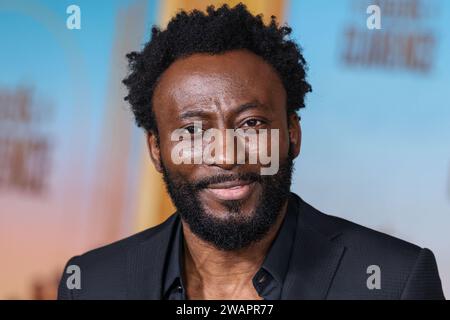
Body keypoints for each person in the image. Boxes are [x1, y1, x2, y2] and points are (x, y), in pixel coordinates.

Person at [58, 3, 444, 300]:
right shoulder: (92, 283)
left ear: (293, 134)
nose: (227, 156)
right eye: (193, 130)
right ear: (157, 149)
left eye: (252, 124)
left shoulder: (393, 281)